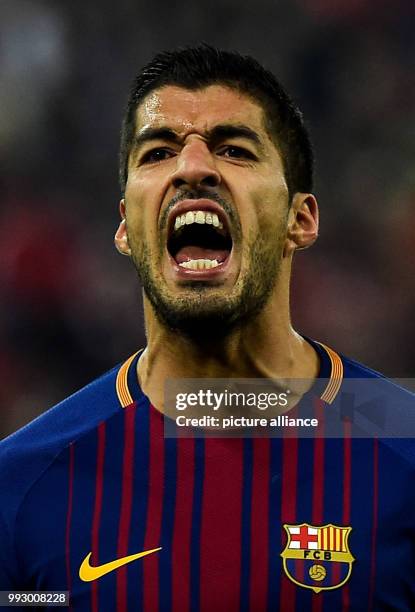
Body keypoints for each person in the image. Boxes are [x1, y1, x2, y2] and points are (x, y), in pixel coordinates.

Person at [0, 45, 414, 612]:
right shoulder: (20, 487)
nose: (192, 168)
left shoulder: (405, 452)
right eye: (158, 152)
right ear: (125, 227)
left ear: (301, 219)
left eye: (234, 149)